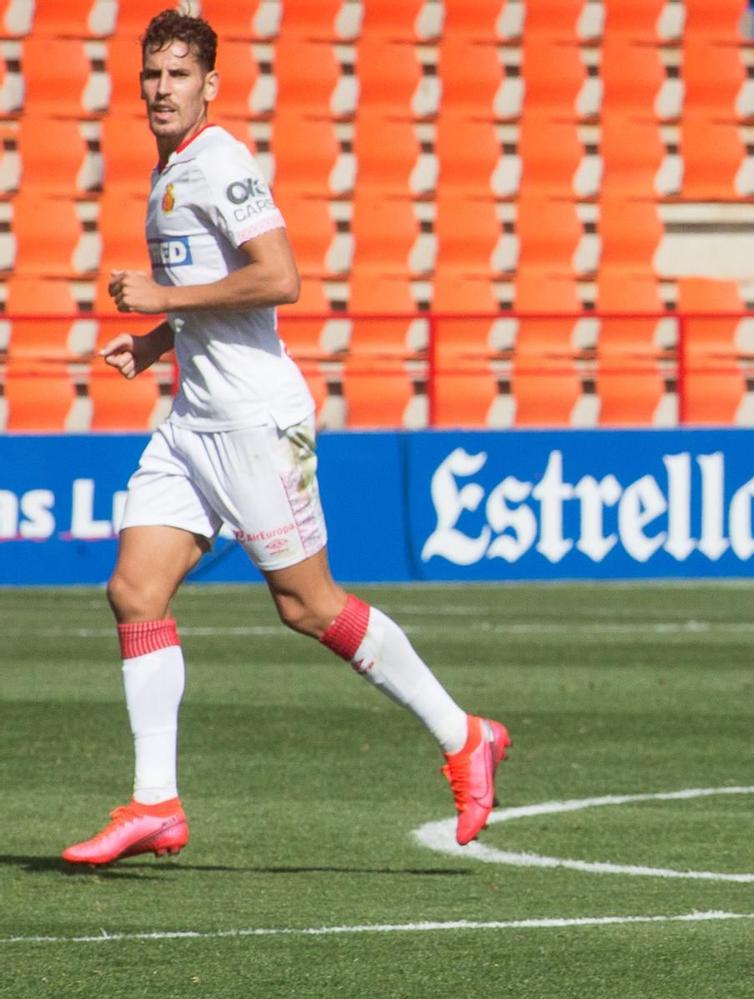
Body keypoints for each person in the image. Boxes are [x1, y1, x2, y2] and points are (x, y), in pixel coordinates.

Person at [62, 10, 508, 866]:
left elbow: (281, 277)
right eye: (152, 74)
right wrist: (158, 344)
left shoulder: (222, 162)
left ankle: (465, 735)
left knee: (308, 605)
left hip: (259, 424)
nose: (162, 89)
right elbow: (215, 296)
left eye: (179, 75)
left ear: (210, 87)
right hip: (195, 421)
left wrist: (159, 300)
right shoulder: (170, 170)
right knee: (134, 591)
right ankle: (156, 801)